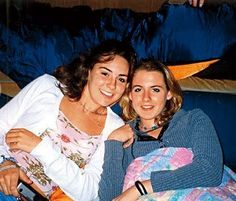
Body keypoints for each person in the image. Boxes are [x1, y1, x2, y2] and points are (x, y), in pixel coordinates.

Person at [0, 39, 136, 201]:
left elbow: (90, 193)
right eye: (105, 73)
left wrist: (41, 148)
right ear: (88, 70)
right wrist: (5, 163)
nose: (111, 85)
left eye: (121, 79)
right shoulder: (47, 86)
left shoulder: (115, 129)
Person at [98, 59, 224, 201]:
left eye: (155, 89)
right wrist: (113, 142)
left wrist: (141, 188)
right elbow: (110, 198)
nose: (146, 98)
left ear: (169, 93)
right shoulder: (125, 139)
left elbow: (210, 171)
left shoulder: (193, 120)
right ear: (130, 95)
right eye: (138, 89)